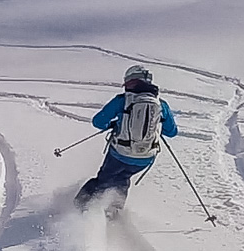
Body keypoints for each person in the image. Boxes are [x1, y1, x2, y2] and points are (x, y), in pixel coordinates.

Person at [74, 65, 178, 214]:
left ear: (132, 81)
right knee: (123, 179)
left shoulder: (122, 100)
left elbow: (98, 122)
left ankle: (77, 210)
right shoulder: (161, 104)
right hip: (145, 158)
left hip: (120, 154)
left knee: (103, 180)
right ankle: (114, 212)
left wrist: (114, 123)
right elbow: (172, 132)